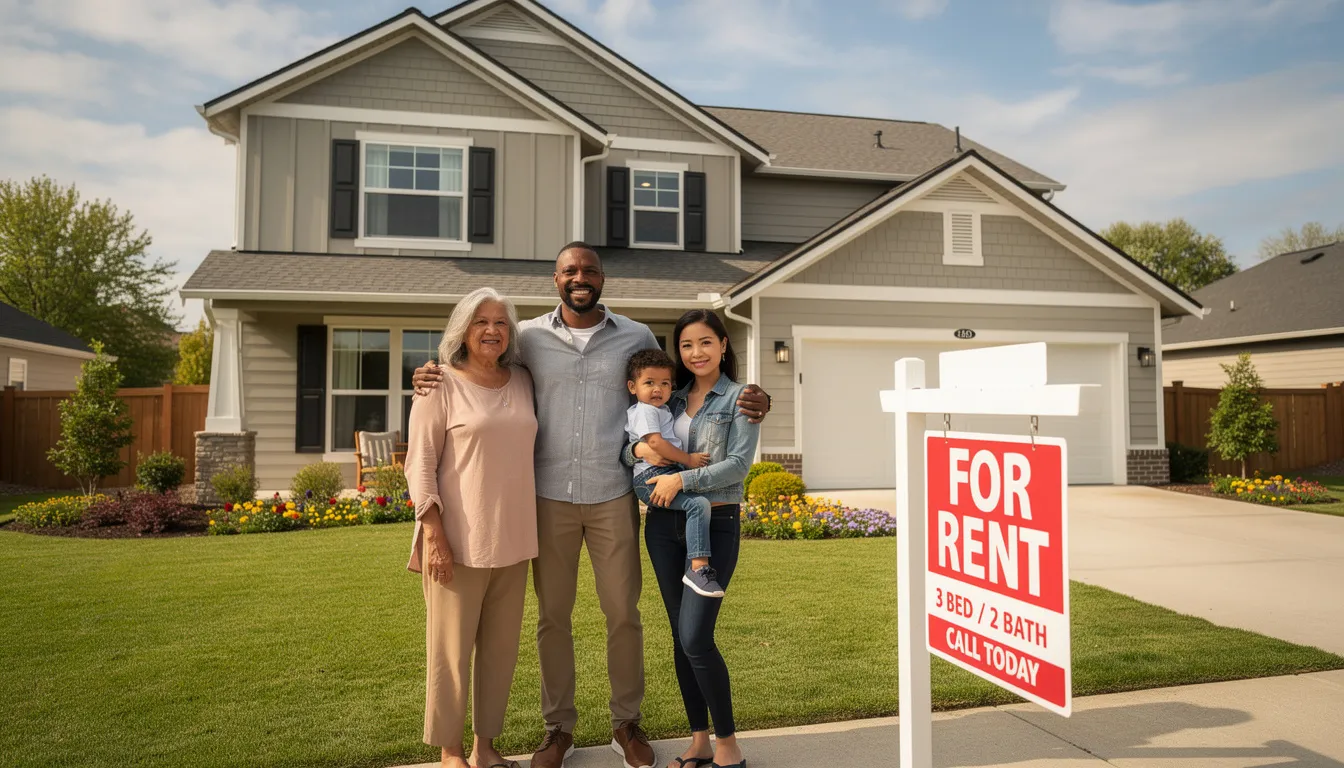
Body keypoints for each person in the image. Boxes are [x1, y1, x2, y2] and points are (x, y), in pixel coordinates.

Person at [411, 242, 771, 768]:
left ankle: (627, 724)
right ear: (555, 279)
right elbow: (477, 367)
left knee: (622, 613)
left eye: (589, 270)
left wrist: (754, 398)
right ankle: (558, 729)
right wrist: (429, 371)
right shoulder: (526, 337)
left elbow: (674, 392)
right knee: (552, 618)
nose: (580, 278)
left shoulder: (637, 337)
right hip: (547, 497)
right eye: (569, 270)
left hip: (612, 494)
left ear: (602, 278)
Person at [404, 287, 538, 768]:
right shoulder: (438, 384)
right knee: (450, 654)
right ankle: (450, 751)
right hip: (457, 542)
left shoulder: (523, 380)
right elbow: (418, 465)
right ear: (462, 329)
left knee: (500, 655)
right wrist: (433, 534)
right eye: (481, 321)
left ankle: (486, 748)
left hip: (516, 539)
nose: (492, 330)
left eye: (501, 323)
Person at [629, 309, 759, 768]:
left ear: (724, 345)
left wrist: (684, 481)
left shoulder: (741, 399)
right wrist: (636, 449)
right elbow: (639, 440)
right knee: (679, 637)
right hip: (664, 527)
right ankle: (699, 740)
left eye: (706, 342)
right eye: (686, 345)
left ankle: (728, 744)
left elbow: (738, 465)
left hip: (715, 522)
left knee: (696, 635)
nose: (696, 352)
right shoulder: (669, 395)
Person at [623, 349, 723, 598]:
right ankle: (699, 568)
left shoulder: (663, 410)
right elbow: (655, 443)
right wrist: (688, 459)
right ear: (632, 387)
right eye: (649, 383)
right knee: (698, 505)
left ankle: (697, 566)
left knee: (698, 503)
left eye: (664, 383)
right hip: (652, 478)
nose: (658, 389)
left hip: (665, 472)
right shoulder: (645, 411)